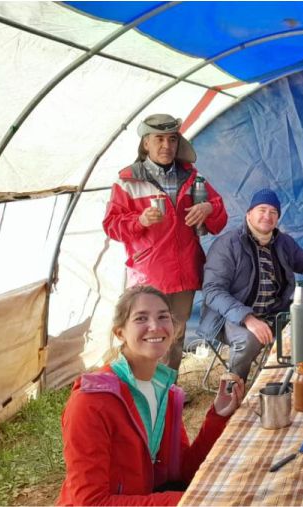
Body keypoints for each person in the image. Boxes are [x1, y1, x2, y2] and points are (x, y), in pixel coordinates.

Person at [57, 286, 244, 506]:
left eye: (163, 316)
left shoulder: (165, 391)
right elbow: (90, 502)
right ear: (120, 333)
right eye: (141, 318)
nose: (155, 327)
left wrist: (217, 417)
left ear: (173, 329)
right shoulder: (90, 402)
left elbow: (182, 472)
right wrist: (186, 501)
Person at [102, 114, 227, 375]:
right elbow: (111, 225)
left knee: (175, 335)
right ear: (146, 143)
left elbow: (219, 216)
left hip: (185, 272)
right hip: (149, 275)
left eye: (172, 139)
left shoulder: (194, 177)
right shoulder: (127, 181)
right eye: (159, 139)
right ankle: (141, 388)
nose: (166, 146)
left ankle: (168, 392)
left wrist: (206, 208)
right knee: (146, 335)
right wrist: (139, 220)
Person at [197, 188, 303, 381]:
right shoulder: (227, 245)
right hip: (231, 317)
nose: (267, 216)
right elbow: (212, 291)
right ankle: (234, 387)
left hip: (274, 312)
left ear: (277, 219)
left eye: (273, 212)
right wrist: (247, 318)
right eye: (262, 209)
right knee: (249, 340)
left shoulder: (282, 242)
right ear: (249, 213)